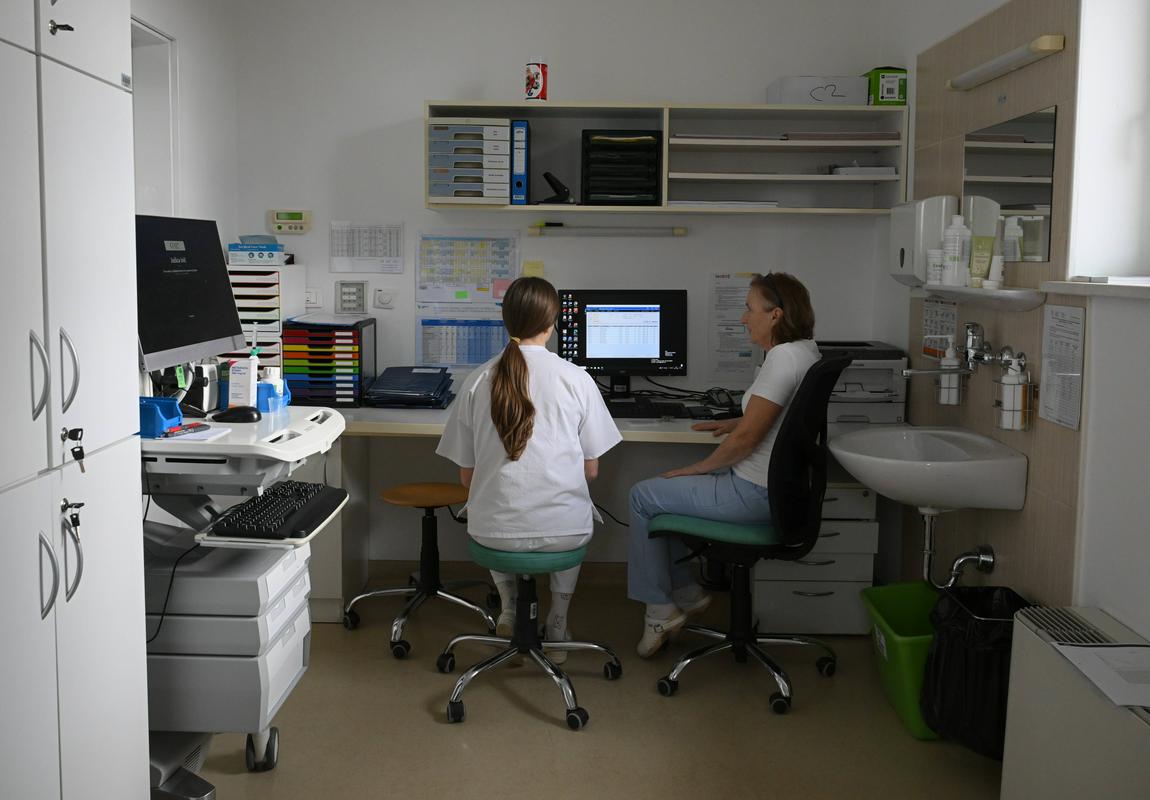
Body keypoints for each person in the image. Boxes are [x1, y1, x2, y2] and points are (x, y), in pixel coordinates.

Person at [627, 272, 820, 657]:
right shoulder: (805, 352)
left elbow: (748, 441)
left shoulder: (781, 359)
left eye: (750, 309)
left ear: (776, 315)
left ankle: (662, 611)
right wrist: (739, 421)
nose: (744, 318)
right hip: (778, 491)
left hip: (752, 493)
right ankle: (686, 593)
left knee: (643, 496)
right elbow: (778, 421)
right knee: (663, 494)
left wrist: (700, 467)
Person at [436, 277, 621, 662]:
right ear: (552, 323)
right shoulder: (577, 379)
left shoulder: (477, 380)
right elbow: (591, 472)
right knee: (566, 515)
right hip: (565, 534)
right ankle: (558, 622)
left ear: (506, 321)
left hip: (493, 534)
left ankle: (508, 608)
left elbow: (467, 478)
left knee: (496, 508)